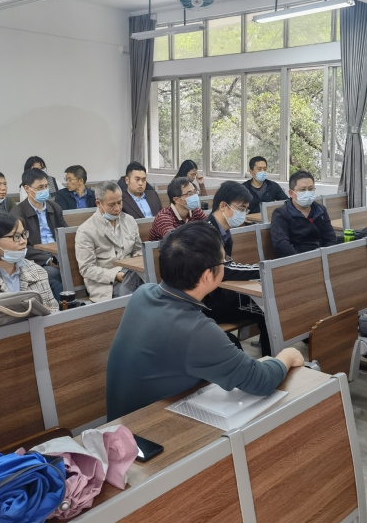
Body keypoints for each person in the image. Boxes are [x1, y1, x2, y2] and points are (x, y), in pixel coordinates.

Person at [105, 222, 304, 419]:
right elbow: (261, 381)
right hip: (149, 427)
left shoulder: (143, 293)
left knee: (231, 342)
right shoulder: (196, 331)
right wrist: (288, 355)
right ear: (208, 276)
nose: (227, 264)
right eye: (225, 261)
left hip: (122, 420)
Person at [204, 181, 271, 355]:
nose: (244, 214)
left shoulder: (224, 232)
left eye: (246, 210)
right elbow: (225, 270)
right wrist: (263, 270)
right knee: (267, 310)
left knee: (268, 307)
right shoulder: (208, 233)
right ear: (223, 206)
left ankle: (270, 359)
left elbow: (228, 266)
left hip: (221, 294)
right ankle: (270, 361)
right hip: (208, 304)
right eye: (241, 208)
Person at [75, 181, 142, 302]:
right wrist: (115, 275)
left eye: (119, 202)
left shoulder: (129, 220)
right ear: (98, 203)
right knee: (140, 294)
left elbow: (138, 250)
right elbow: (87, 268)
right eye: (111, 205)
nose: (117, 208)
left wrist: (137, 265)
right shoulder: (86, 230)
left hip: (132, 274)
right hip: (107, 284)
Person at [10, 168, 68, 302]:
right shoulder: (18, 214)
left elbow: (65, 233)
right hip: (36, 258)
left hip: (58, 253)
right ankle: (64, 305)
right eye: (40, 187)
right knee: (53, 273)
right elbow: (21, 246)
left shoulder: (55, 207)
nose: (45, 190)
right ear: (27, 188)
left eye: (46, 186)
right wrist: (47, 259)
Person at [270, 170, 336, 258]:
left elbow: (330, 238)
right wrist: (302, 261)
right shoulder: (281, 214)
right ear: (291, 193)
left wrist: (326, 257)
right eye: (303, 189)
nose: (307, 193)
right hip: (297, 259)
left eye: (311, 189)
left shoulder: (320, 210)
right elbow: (281, 245)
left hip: (321, 256)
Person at [148, 177, 207, 241]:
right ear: (176, 199)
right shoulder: (164, 217)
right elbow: (175, 241)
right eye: (189, 194)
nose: (194, 196)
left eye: (195, 192)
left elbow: (211, 229)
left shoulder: (196, 211)